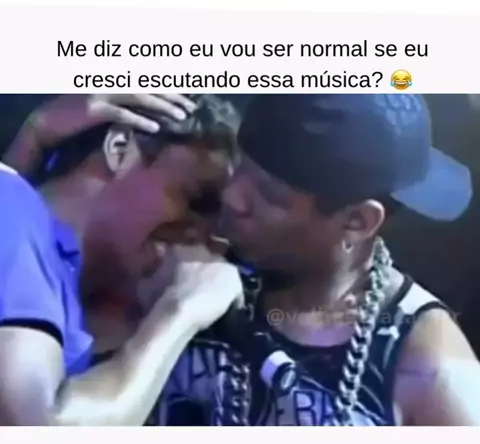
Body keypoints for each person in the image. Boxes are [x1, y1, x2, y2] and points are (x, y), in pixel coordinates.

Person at [153, 93, 480, 426]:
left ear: (357, 221)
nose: (232, 197)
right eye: (241, 168)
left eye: (270, 194)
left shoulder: (431, 372)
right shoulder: (184, 249)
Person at [0, 93, 243, 426]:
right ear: (118, 148)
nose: (204, 236)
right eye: (197, 200)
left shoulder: (58, 281)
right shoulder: (14, 208)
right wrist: (180, 312)